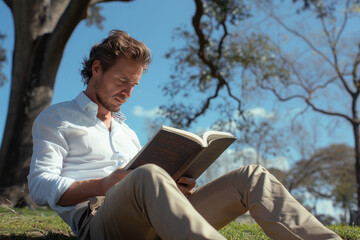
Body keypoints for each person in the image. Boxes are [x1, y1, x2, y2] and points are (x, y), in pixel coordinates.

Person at [28, 30, 340, 240]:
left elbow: (148, 183)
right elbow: (40, 186)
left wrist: (176, 187)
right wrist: (105, 183)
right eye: (121, 80)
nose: (127, 92)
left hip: (158, 219)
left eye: (134, 85)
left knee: (251, 176)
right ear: (96, 69)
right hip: (99, 223)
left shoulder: (127, 131)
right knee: (146, 174)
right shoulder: (56, 118)